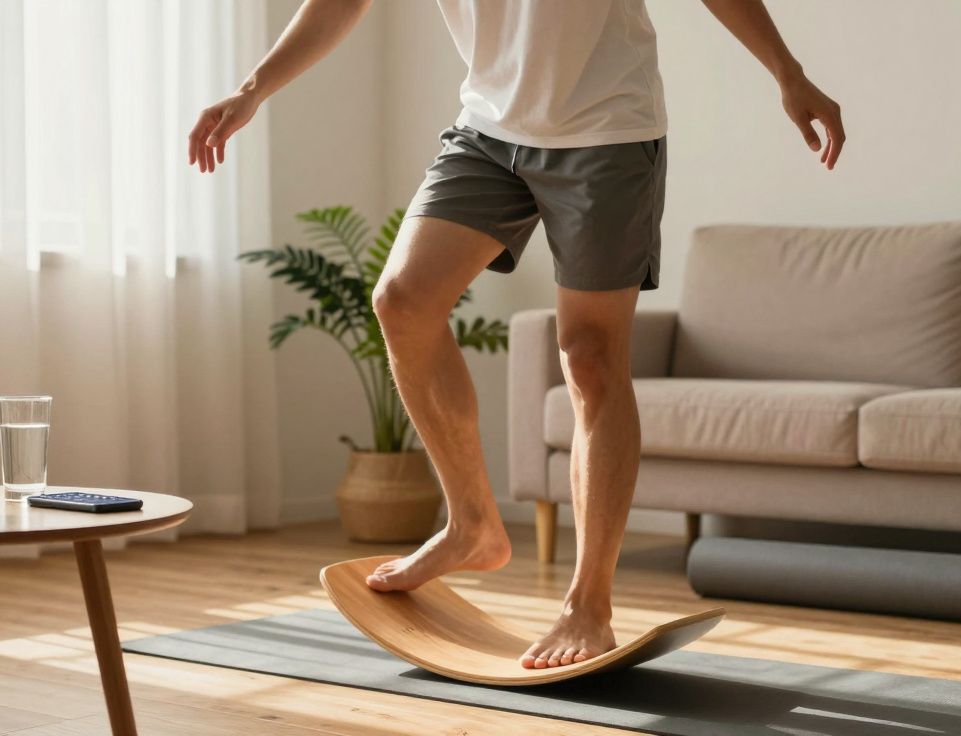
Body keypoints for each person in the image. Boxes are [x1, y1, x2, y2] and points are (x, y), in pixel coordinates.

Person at [189, 0, 844, 670]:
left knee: (589, 358)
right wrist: (251, 90)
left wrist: (787, 74)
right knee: (402, 301)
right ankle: (471, 523)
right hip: (488, 131)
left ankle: (589, 604)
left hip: (608, 130)